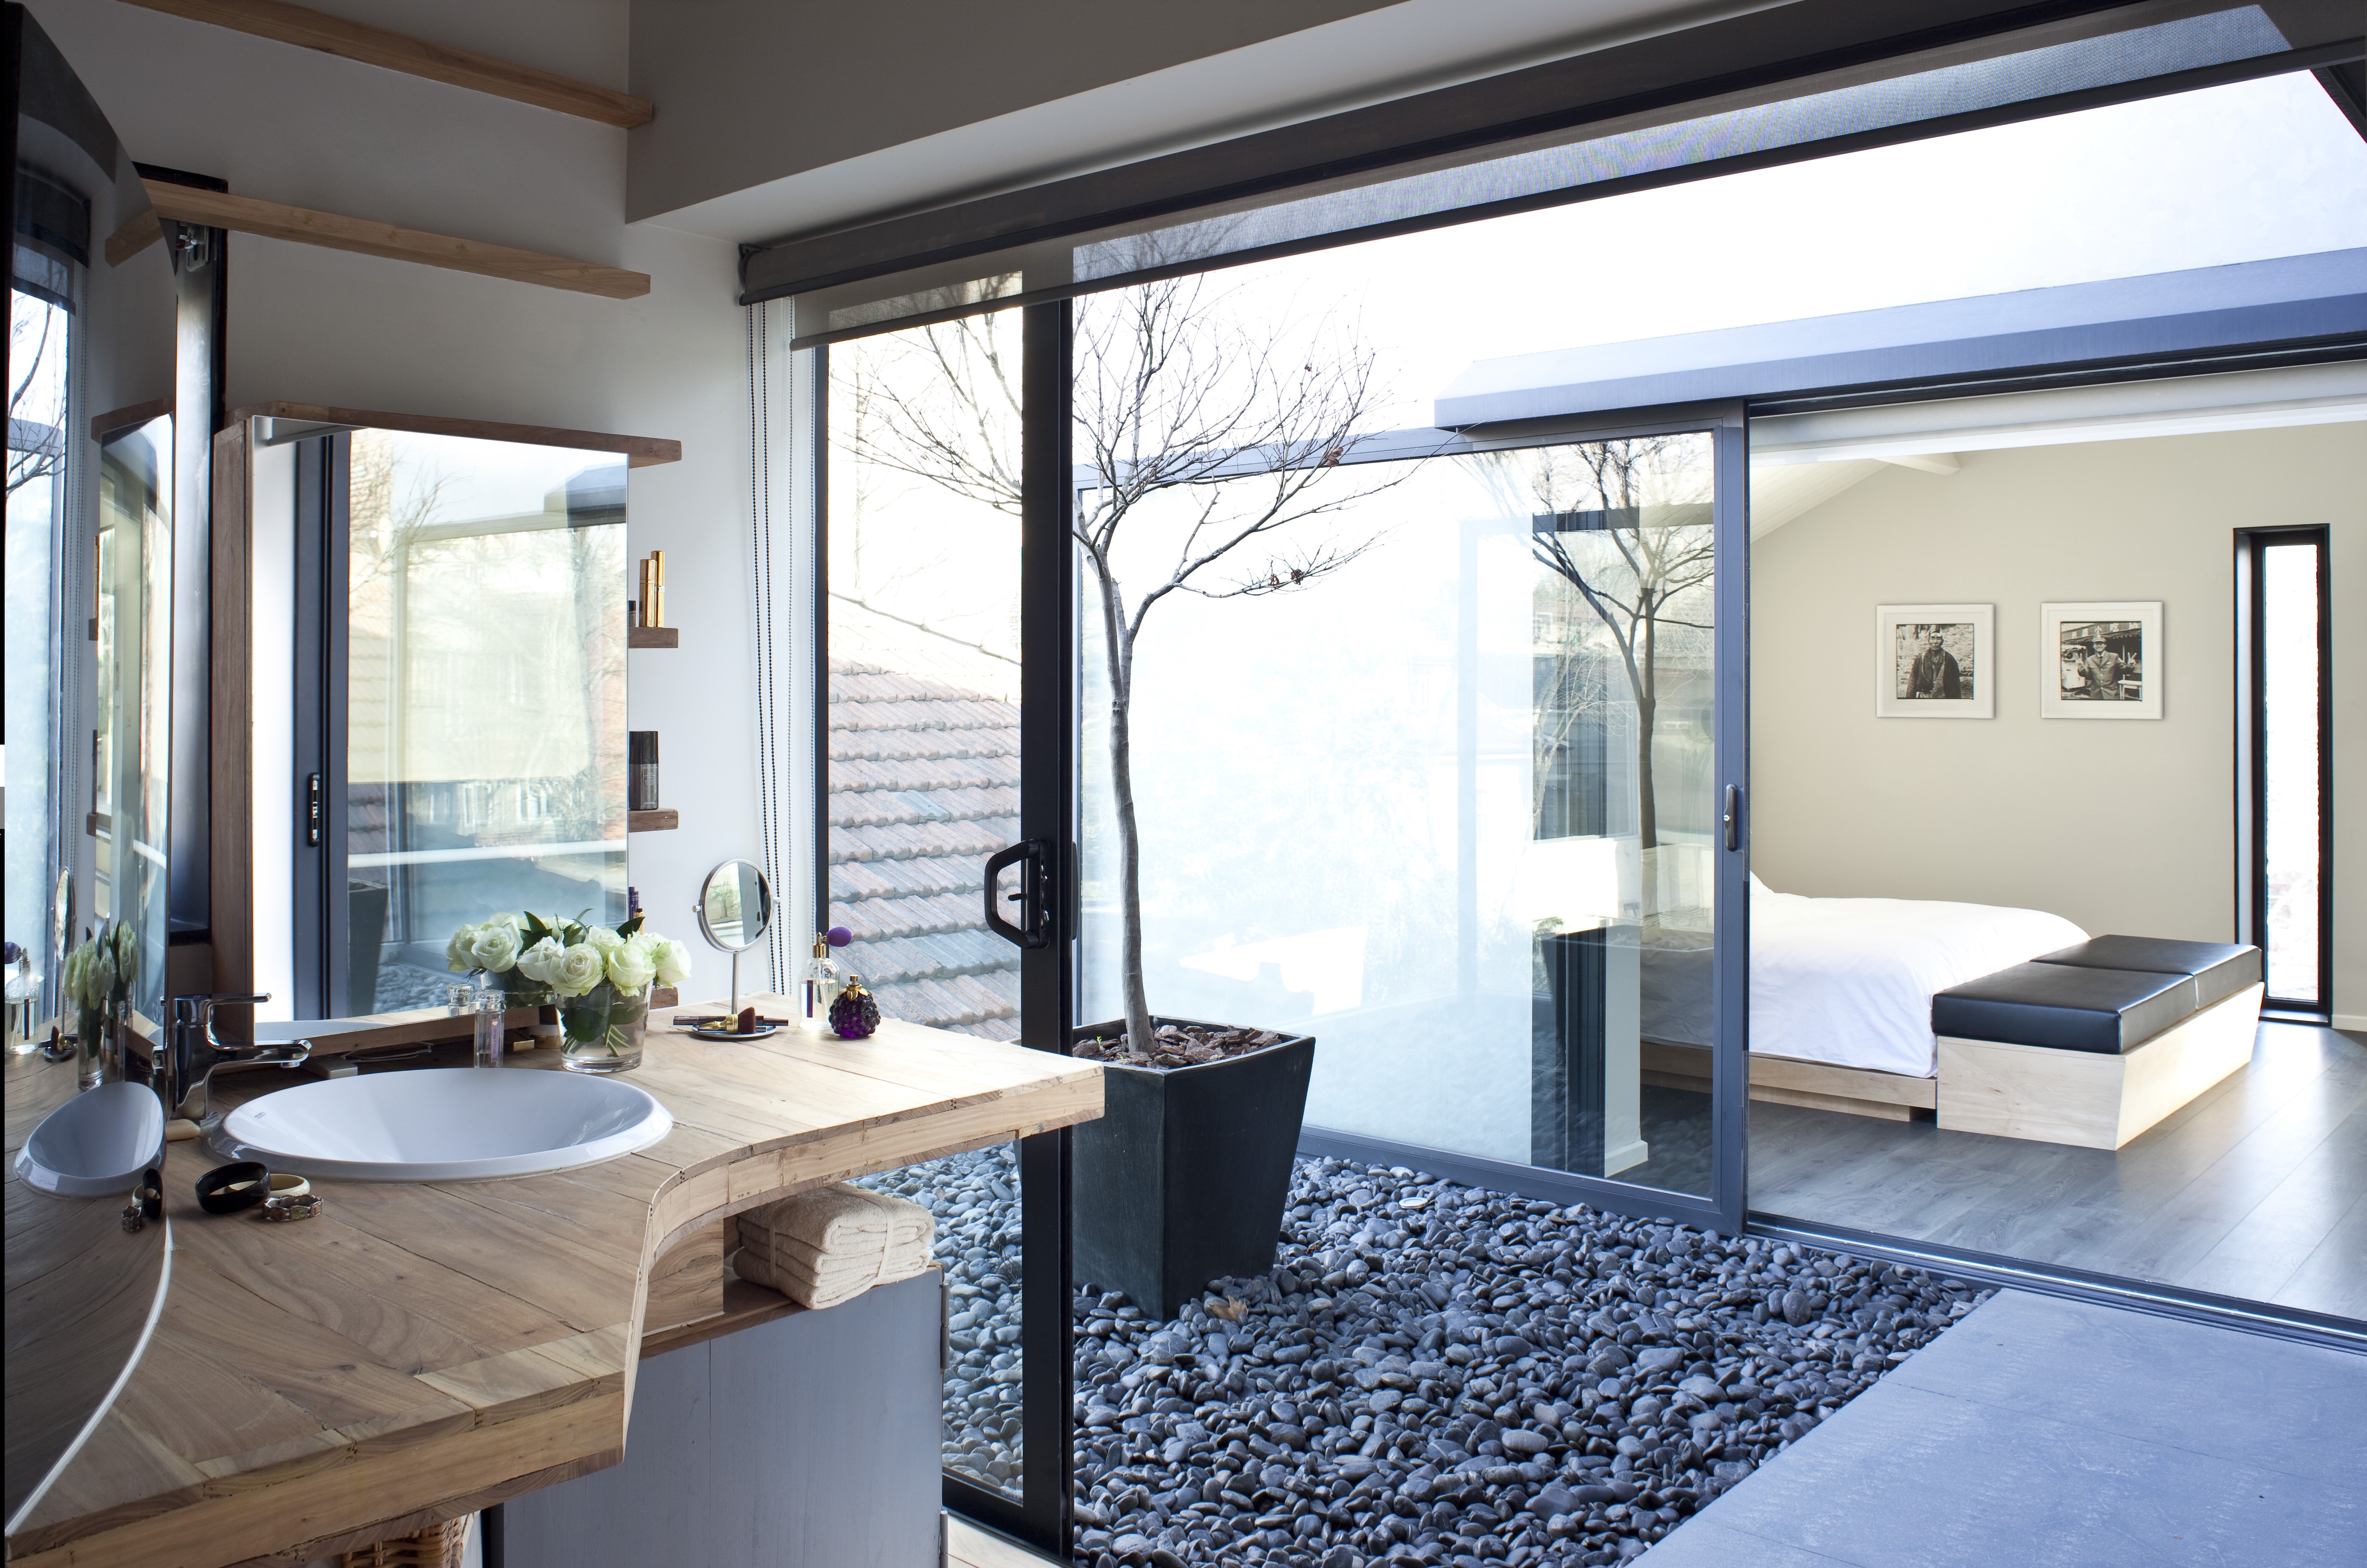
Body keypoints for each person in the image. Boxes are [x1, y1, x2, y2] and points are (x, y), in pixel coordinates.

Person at [1906, 627, 1961, 699]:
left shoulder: (1950, 659)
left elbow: (1956, 682)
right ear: (1929, 641)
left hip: (1944, 698)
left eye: (1938, 639)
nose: (1935, 642)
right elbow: (1912, 681)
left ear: (1942, 641)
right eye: (1933, 639)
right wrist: (1909, 700)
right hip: (1924, 698)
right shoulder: (1920, 658)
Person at [2079, 635, 2125, 699]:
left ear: (2105, 645)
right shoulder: (2090, 659)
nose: (2099, 646)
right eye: (2097, 644)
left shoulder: (2114, 657)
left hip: (2111, 693)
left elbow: (2124, 670)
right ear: (2094, 646)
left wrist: (2130, 665)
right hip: (2096, 694)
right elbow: (2086, 675)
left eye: (2101, 644)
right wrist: (2081, 668)